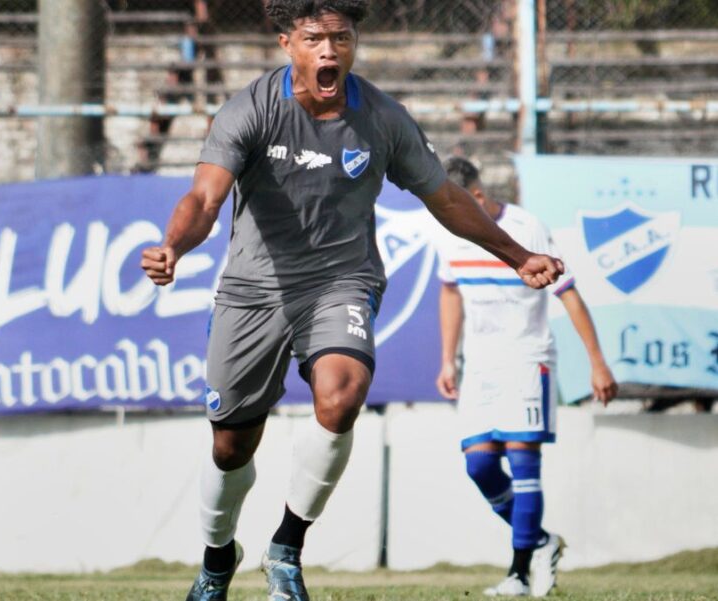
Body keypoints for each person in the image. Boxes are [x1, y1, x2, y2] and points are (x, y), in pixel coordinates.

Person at [140, 2, 566, 600]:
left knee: (341, 395)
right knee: (230, 444)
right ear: (288, 43)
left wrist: (517, 255)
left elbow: (444, 197)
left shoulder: (383, 118)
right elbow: (204, 199)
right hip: (253, 291)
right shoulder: (249, 111)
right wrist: (172, 246)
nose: (329, 51)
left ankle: (286, 548)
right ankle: (217, 559)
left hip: (341, 281)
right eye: (315, 38)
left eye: (341, 38)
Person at [434, 157, 618, 598]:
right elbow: (450, 290)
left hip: (526, 357)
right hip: (480, 364)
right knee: (479, 464)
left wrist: (597, 362)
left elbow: (568, 293)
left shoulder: (526, 227)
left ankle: (518, 573)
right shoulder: (449, 233)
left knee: (522, 461)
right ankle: (541, 542)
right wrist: (447, 359)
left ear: (475, 197)